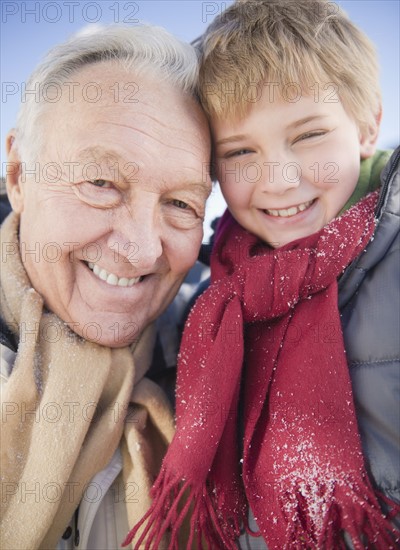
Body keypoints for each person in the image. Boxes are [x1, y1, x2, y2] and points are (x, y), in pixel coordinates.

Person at [124, 1, 400, 548]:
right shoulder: (217, 300)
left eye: (308, 136)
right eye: (241, 151)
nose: (278, 179)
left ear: (368, 125)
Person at [0, 24, 211, 549]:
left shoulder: (223, 381)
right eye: (100, 183)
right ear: (20, 176)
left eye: (181, 204)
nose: (141, 249)